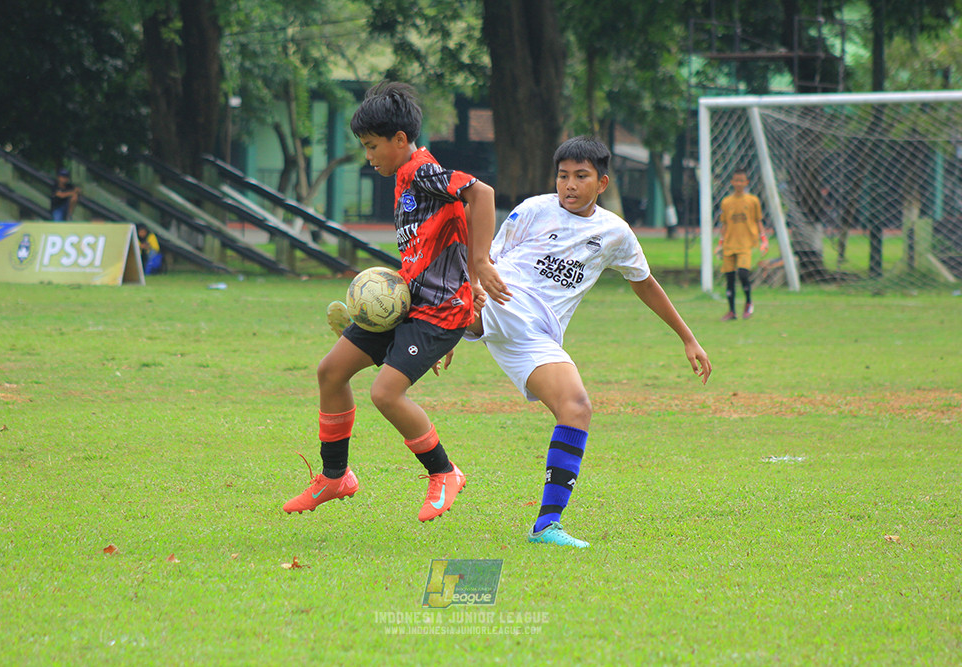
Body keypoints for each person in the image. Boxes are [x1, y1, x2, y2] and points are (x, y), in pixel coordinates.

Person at [456, 136, 712, 548]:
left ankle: (546, 526)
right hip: (502, 302)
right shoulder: (533, 209)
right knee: (437, 301)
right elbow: (485, 261)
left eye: (580, 176)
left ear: (602, 182)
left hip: (537, 336)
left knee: (576, 408)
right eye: (562, 176)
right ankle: (394, 322)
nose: (569, 185)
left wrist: (688, 337)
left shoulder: (614, 232)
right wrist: (459, 314)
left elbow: (645, 284)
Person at [283, 81, 508, 522]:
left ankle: (444, 472)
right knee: (331, 371)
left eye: (372, 147)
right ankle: (335, 476)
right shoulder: (404, 176)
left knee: (385, 393)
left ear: (400, 141)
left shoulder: (422, 171)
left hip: (438, 313)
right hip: (406, 303)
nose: (368, 157)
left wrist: (480, 265)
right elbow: (444, 235)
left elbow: (480, 194)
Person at [716, 169, 768, 320]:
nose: (738, 183)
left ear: (746, 182)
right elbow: (724, 225)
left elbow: (758, 221)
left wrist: (763, 240)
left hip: (746, 243)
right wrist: (720, 243)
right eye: (736, 180)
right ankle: (732, 311)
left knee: (743, 273)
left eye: (741, 180)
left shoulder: (753, 201)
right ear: (732, 182)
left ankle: (748, 302)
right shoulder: (726, 202)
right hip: (729, 244)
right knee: (730, 278)